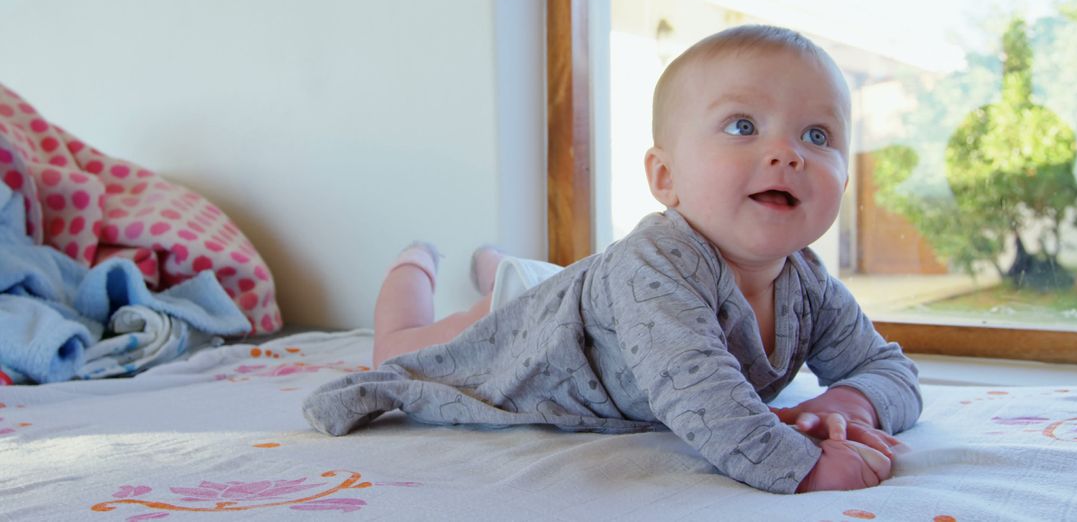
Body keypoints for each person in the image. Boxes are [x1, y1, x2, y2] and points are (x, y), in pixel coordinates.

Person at [303, 24, 922, 494]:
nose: (787, 153)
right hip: (534, 330)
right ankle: (419, 258)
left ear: (842, 182)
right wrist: (804, 468)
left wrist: (847, 402)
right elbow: (699, 396)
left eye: (818, 135)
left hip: (587, 305)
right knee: (406, 351)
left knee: (532, 281)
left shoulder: (809, 284)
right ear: (665, 175)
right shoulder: (661, 262)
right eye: (742, 126)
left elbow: (890, 371)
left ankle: (500, 265)